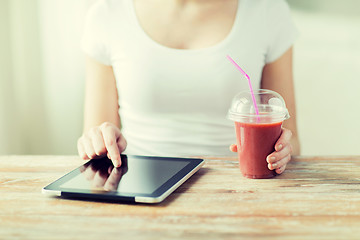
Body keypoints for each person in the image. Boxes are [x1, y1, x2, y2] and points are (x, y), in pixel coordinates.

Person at [77, 0, 301, 175]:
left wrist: (282, 152)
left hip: (239, 185)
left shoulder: (268, 12)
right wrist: (97, 141)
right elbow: (96, 137)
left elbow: (292, 140)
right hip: (139, 186)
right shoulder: (106, 16)